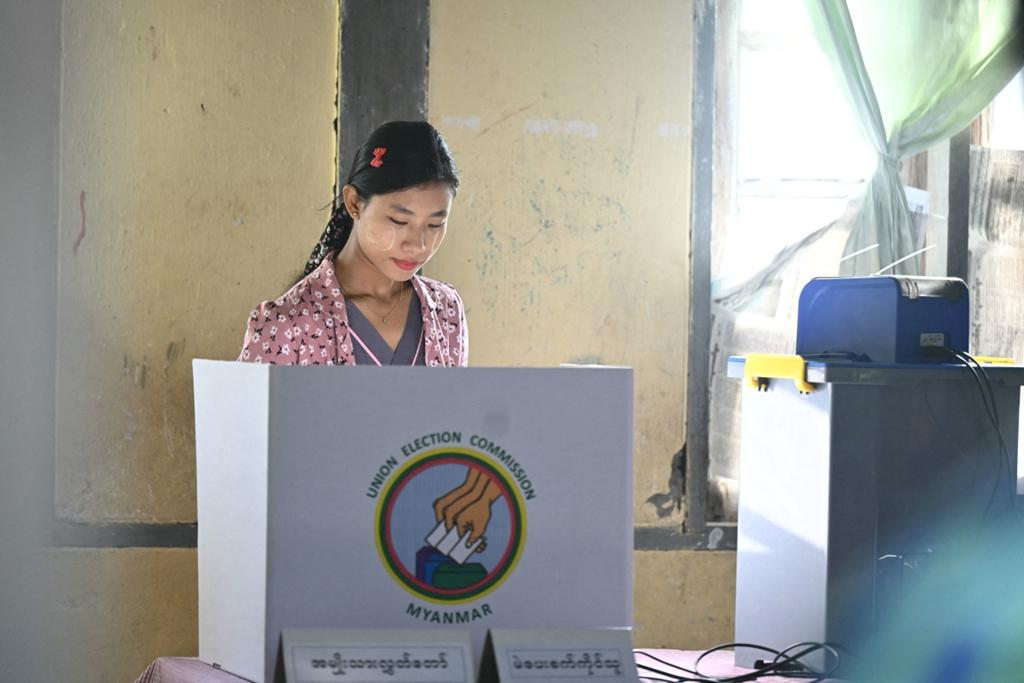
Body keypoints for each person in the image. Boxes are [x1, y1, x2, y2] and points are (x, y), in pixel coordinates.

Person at [237, 121, 467, 367]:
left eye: (435, 224)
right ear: (354, 203)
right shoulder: (285, 325)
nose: (418, 245)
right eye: (399, 221)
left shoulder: (446, 309)